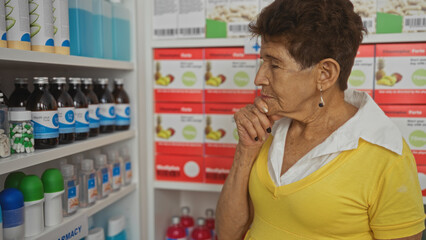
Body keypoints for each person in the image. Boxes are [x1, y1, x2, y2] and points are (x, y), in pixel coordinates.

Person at [216, 0, 425, 239]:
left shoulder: (386, 157)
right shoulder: (267, 129)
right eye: (262, 62)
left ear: (325, 74)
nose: (259, 78)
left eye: (274, 64)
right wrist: (246, 150)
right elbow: (227, 234)